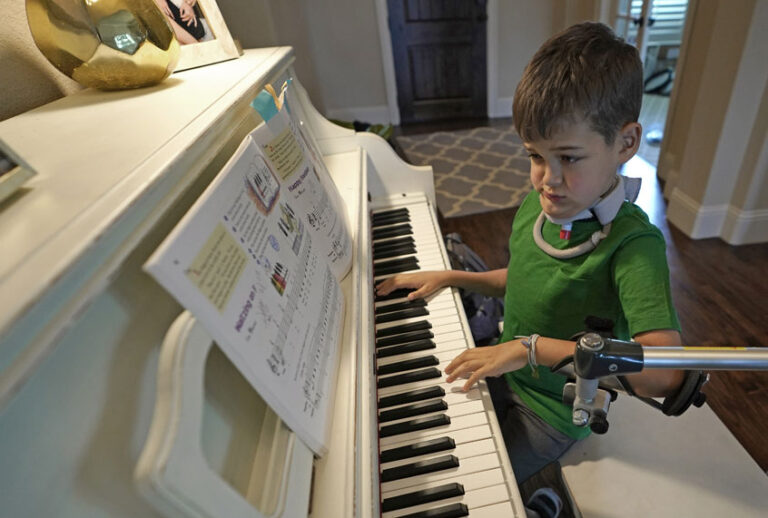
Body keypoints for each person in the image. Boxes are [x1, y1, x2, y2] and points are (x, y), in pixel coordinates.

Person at [375, 22, 684, 484]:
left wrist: (530, 349)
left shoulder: (633, 246)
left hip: (554, 410)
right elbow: (523, 278)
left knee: (476, 484)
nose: (546, 179)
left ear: (626, 143)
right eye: (535, 156)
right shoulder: (538, 209)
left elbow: (663, 374)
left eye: (569, 158)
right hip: (512, 369)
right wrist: (451, 277)